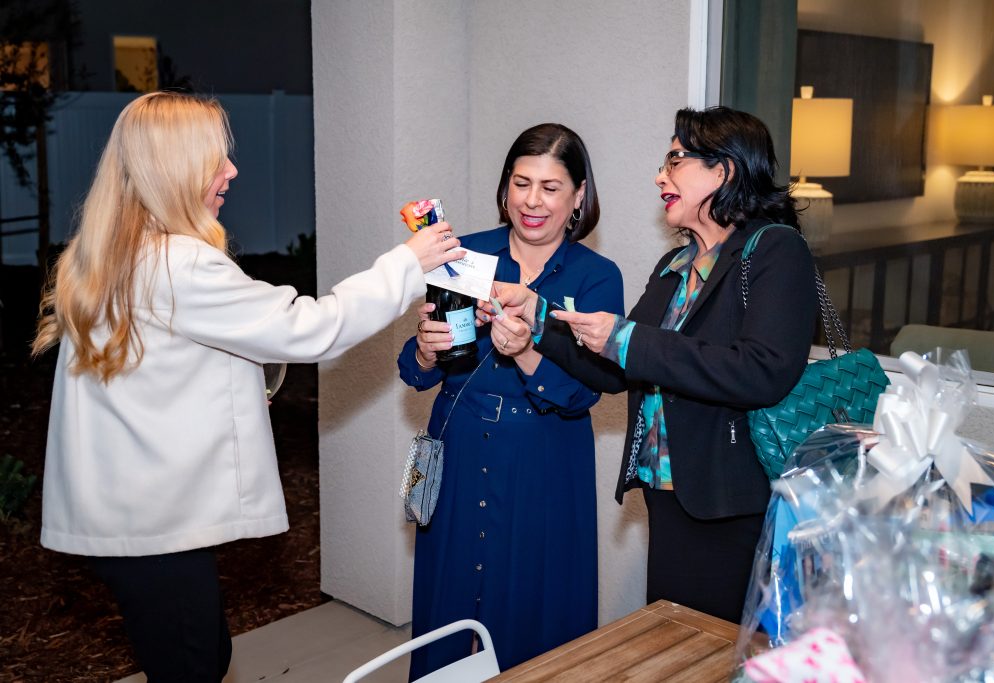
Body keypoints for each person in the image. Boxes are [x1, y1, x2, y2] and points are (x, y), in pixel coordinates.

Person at [31, 91, 463, 682]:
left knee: (200, 653)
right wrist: (406, 264)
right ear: (174, 169)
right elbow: (313, 329)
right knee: (194, 662)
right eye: (216, 159)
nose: (231, 171)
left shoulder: (108, 252)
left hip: (129, 513)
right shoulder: (177, 264)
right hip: (157, 526)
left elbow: (165, 366)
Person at [485, 106, 818, 623]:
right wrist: (538, 318)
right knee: (671, 640)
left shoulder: (775, 249)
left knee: (719, 650)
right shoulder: (676, 265)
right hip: (670, 494)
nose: (659, 176)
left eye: (675, 159)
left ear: (723, 170)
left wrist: (626, 339)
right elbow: (616, 369)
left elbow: (762, 369)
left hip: (732, 498)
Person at [397, 123, 624, 676]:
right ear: (504, 189)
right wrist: (426, 353)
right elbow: (417, 365)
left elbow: (586, 391)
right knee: (450, 604)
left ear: (578, 197)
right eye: (521, 183)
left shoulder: (596, 277)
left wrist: (526, 352)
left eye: (551, 187)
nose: (532, 200)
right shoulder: (465, 254)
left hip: (545, 461)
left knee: (536, 605)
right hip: (460, 450)